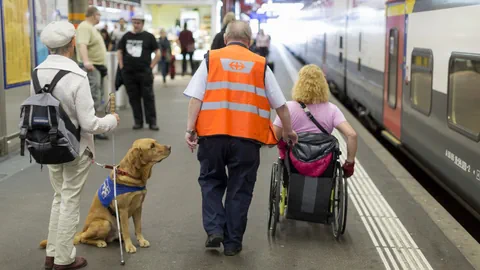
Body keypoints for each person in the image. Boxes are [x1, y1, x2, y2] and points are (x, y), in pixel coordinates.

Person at [183, 20, 298, 256]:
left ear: (226, 39)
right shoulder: (260, 64)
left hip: (212, 136)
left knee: (211, 181)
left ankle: (215, 230)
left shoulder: (211, 59)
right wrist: (288, 131)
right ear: (250, 41)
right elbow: (281, 106)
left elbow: (196, 98)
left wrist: (190, 128)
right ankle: (233, 243)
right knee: (240, 189)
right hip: (247, 140)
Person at [36, 21, 119, 270]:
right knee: (70, 200)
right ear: (72, 44)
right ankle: (64, 259)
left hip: (46, 145)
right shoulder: (77, 76)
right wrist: (111, 120)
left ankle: (52, 254)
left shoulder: (36, 72)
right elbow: (89, 123)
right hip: (75, 148)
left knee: (59, 197)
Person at [272, 64, 357, 178]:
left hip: (294, 165)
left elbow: (274, 137)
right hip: (324, 166)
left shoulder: (288, 108)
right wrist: (349, 163)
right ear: (323, 85)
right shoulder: (332, 109)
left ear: (299, 84)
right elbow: (352, 135)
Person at [117, 13, 161, 131]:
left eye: (138, 23)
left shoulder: (149, 37)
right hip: (129, 74)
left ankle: (152, 122)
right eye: (134, 23)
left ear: (142, 24)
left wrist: (151, 66)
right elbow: (120, 51)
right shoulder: (126, 36)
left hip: (144, 73)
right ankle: (138, 121)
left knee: (148, 97)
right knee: (133, 98)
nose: (136, 25)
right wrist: (122, 66)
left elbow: (158, 53)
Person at [76, 6, 109, 140]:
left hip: (97, 67)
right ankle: (92, 129)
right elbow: (82, 44)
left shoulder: (91, 28)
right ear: (94, 15)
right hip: (91, 67)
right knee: (93, 97)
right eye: (99, 15)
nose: (100, 18)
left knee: (97, 95)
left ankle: (95, 127)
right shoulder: (84, 26)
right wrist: (86, 61)